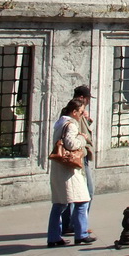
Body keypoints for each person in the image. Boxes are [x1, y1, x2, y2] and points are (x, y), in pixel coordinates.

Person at [46, 98, 95, 247]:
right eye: (80, 112)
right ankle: (81, 235)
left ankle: (54, 237)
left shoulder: (60, 123)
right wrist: (82, 138)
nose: (81, 115)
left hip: (59, 169)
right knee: (83, 200)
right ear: (74, 112)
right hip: (69, 171)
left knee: (59, 204)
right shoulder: (71, 125)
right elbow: (71, 144)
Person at [61, 85, 94, 236]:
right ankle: (77, 226)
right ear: (82, 98)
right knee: (86, 192)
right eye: (87, 99)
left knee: (73, 193)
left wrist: (88, 121)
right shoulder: (74, 114)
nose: (88, 102)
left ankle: (72, 224)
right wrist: (83, 139)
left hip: (80, 156)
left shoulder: (75, 113)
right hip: (78, 157)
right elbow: (73, 138)